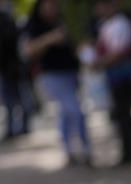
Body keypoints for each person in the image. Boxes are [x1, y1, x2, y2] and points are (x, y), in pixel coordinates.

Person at [23, 0, 91, 164]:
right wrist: (51, 38)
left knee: (66, 113)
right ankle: (84, 148)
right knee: (75, 110)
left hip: (70, 73)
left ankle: (69, 150)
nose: (53, 7)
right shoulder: (35, 26)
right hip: (52, 75)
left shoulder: (62, 21)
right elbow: (28, 50)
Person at [93, 0, 131, 165]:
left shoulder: (120, 24)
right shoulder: (106, 24)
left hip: (123, 76)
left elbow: (118, 52)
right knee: (121, 115)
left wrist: (100, 63)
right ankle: (130, 149)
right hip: (115, 76)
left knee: (124, 114)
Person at [0, 1, 30, 140]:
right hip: (11, 66)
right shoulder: (11, 20)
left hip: (11, 67)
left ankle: (18, 127)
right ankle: (18, 127)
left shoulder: (9, 20)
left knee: (14, 99)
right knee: (14, 98)